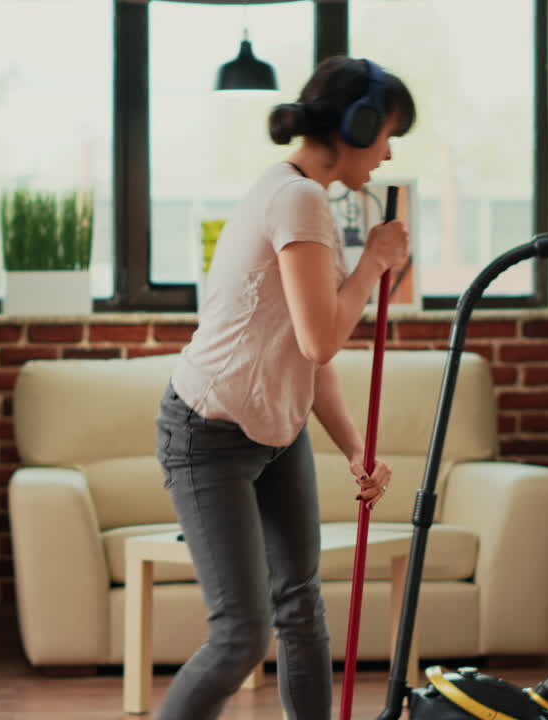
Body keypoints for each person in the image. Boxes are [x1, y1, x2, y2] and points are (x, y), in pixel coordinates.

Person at [153, 55, 416, 720]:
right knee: (242, 635)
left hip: (276, 429)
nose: (386, 155)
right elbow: (322, 338)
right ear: (356, 127)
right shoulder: (297, 199)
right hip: (209, 431)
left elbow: (304, 356)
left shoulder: (298, 193)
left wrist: (355, 448)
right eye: (385, 134)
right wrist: (375, 263)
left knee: (301, 607)